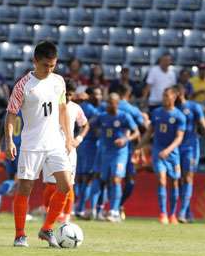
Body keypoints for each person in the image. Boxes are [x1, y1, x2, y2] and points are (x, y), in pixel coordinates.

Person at [5, 41, 74, 248]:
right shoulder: (23, 85)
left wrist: (68, 137)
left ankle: (47, 228)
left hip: (55, 142)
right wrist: (9, 141)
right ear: (35, 61)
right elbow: (11, 115)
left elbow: (62, 109)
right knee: (25, 187)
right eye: (45, 65)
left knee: (66, 185)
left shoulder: (59, 81)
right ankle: (20, 235)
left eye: (53, 66)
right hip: (31, 144)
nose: (49, 69)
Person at [41, 79, 89, 223]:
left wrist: (78, 139)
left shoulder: (75, 108)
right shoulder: (51, 107)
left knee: (69, 185)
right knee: (50, 185)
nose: (68, 97)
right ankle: (47, 212)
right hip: (51, 148)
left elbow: (85, 125)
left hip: (69, 151)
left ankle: (66, 217)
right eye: (66, 94)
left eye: (70, 95)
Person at [90, 93, 138, 222]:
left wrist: (125, 139)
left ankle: (114, 211)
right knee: (103, 181)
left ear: (117, 103)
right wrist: (97, 134)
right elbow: (89, 125)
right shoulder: (102, 117)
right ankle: (98, 210)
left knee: (116, 179)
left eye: (111, 102)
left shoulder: (124, 116)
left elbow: (136, 132)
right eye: (108, 102)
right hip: (105, 152)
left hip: (120, 153)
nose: (109, 105)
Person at [175, 84, 205, 223]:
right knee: (179, 180)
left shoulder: (194, 107)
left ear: (181, 93)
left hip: (190, 148)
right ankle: (187, 211)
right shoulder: (172, 110)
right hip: (176, 148)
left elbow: (204, 128)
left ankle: (181, 213)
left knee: (188, 178)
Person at [144, 86, 186, 224]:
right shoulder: (156, 113)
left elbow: (179, 138)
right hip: (158, 151)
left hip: (172, 154)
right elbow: (149, 132)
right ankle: (163, 214)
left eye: (166, 96)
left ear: (174, 97)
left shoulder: (179, 116)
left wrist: (168, 150)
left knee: (174, 182)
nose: (164, 99)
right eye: (163, 96)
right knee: (161, 180)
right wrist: (139, 147)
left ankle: (173, 214)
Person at [115, 83, 146, 219]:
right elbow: (142, 128)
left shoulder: (110, 105)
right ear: (129, 94)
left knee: (107, 179)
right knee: (129, 180)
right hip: (127, 148)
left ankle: (103, 208)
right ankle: (118, 205)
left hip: (107, 146)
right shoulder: (132, 109)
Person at [75, 86, 104, 219]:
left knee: (80, 177)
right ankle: (84, 208)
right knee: (90, 178)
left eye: (100, 95)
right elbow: (94, 127)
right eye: (96, 94)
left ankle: (76, 207)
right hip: (90, 146)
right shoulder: (92, 110)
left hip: (80, 144)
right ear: (90, 95)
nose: (99, 97)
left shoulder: (82, 106)